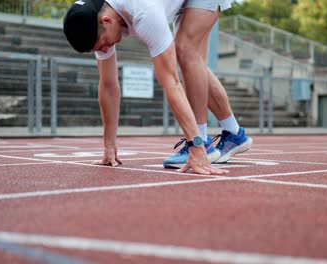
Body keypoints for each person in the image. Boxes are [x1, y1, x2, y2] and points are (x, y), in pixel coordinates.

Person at [63, 0, 252, 174]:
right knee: (192, 60)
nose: (105, 50)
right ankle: (234, 134)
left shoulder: (144, 13)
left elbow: (171, 83)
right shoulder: (93, 15)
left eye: (102, 45)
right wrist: (109, 145)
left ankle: (202, 142)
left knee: (185, 50)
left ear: (106, 20)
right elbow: (108, 85)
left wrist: (196, 145)